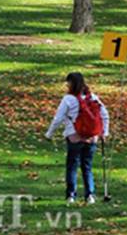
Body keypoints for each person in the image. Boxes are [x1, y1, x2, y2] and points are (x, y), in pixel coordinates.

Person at [45, 72, 110, 205]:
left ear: (71, 84)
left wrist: (49, 134)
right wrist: (104, 132)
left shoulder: (68, 99)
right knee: (87, 166)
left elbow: (58, 119)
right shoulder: (93, 97)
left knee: (72, 166)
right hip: (91, 137)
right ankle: (90, 195)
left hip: (74, 136)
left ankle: (71, 195)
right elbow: (105, 114)